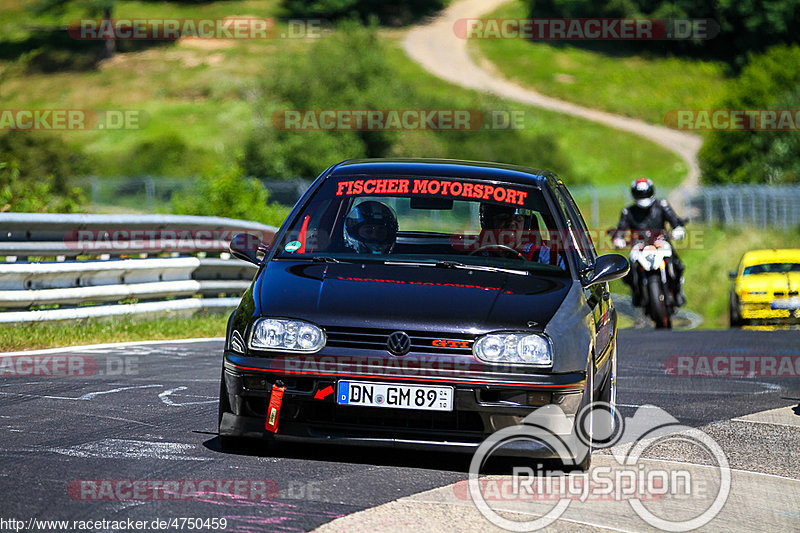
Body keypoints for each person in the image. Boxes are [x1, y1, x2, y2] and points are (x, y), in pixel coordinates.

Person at [613, 178, 686, 306]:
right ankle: (636, 293)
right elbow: (621, 230)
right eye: (640, 193)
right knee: (628, 272)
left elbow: (675, 221)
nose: (643, 196)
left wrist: (678, 230)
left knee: (678, 265)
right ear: (634, 194)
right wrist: (618, 240)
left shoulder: (662, 205)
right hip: (638, 245)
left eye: (646, 193)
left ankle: (677, 290)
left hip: (661, 242)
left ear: (651, 192)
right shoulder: (628, 212)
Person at [478, 204, 565, 268]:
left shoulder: (543, 257)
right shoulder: (474, 253)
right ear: (489, 223)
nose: (511, 223)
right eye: (504, 217)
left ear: (526, 225)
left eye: (518, 218)